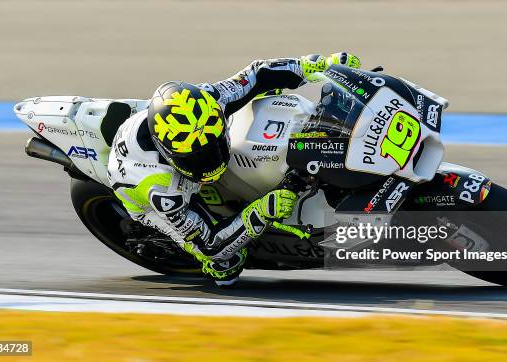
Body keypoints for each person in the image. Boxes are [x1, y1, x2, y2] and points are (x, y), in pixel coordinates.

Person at [107, 53, 361, 285]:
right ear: (169, 155)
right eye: (197, 159)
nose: (211, 161)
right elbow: (211, 243)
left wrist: (315, 66)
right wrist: (261, 211)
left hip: (153, 128)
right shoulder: (163, 191)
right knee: (225, 264)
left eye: (214, 147)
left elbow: (256, 74)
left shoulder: (208, 101)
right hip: (144, 200)